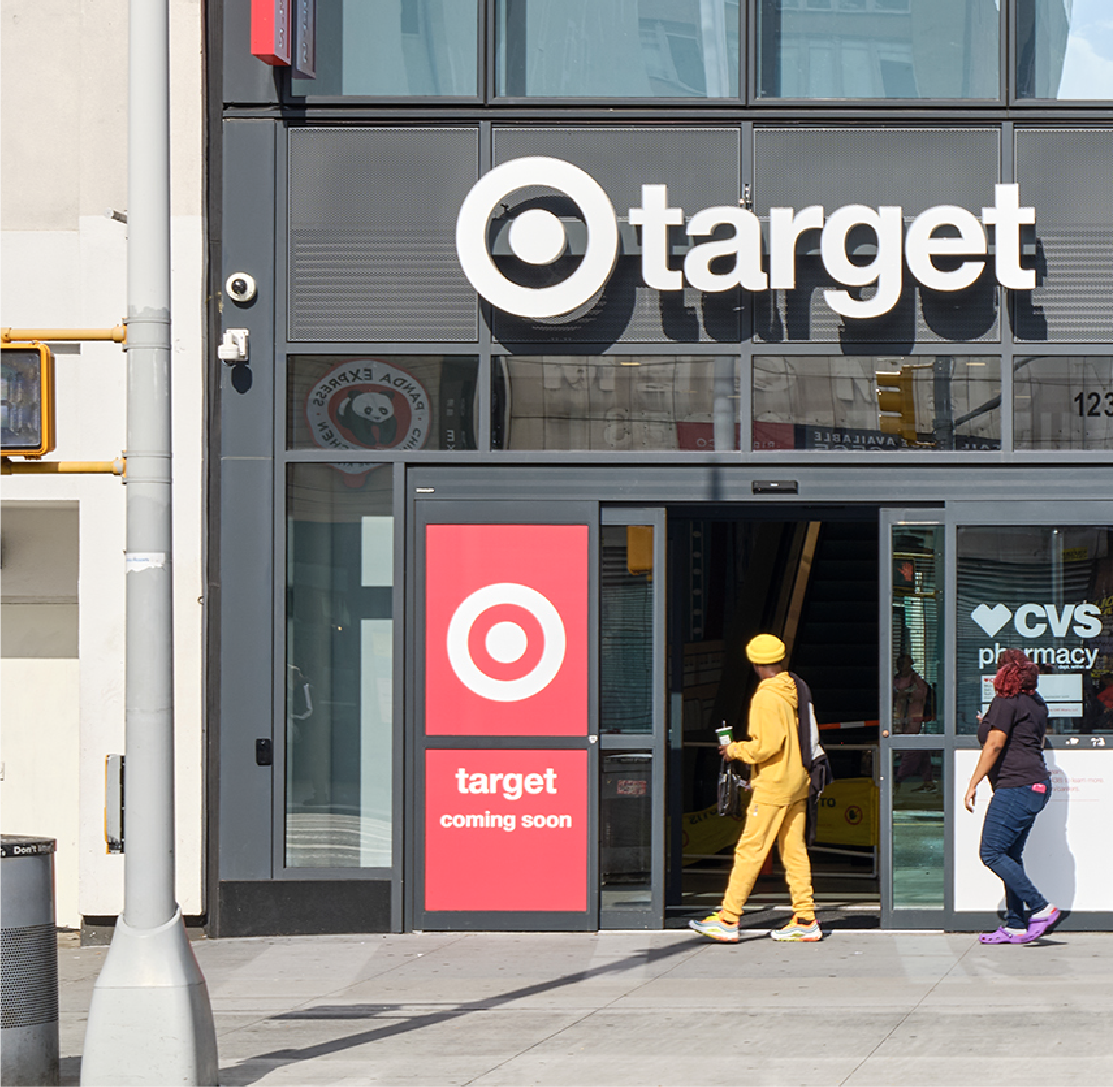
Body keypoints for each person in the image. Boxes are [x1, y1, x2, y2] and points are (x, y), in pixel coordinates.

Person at [690, 634, 821, 944]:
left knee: (751, 849)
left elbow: (766, 747)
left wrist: (735, 751)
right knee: (794, 852)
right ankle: (805, 918)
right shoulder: (795, 688)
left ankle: (728, 917)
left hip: (774, 785)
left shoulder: (765, 696)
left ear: (755, 663)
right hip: (797, 780)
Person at [964, 648, 1060, 945]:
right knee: (1010, 856)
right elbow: (1029, 739)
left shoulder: (1006, 703)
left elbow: (994, 745)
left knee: (991, 853)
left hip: (1016, 786)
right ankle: (1017, 925)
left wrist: (973, 783)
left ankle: (1041, 907)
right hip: (1036, 785)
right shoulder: (1036, 702)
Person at [893, 653, 935, 790]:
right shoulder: (895, 679)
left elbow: (922, 693)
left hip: (913, 718)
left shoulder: (915, 679)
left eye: (903, 664)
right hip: (900, 718)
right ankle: (927, 780)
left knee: (910, 748)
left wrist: (905, 693)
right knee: (922, 750)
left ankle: (899, 778)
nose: (900, 667)